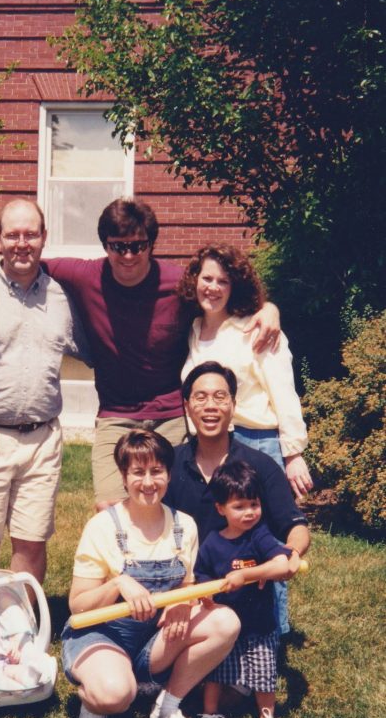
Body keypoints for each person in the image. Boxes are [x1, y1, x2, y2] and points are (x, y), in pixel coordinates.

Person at [44, 198, 282, 510]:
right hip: (116, 412)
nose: (128, 255)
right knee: (110, 507)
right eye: (118, 246)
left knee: (182, 503)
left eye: (138, 245)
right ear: (105, 245)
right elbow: (24, 260)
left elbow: (226, 298)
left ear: (152, 244)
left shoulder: (178, 284)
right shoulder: (85, 275)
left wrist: (269, 308)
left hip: (172, 413)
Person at [61, 429, 241, 718]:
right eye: (138, 472)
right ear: (123, 475)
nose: (148, 482)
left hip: (153, 642)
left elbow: (188, 584)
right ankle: (95, 702)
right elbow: (78, 606)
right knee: (116, 695)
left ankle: (168, 706)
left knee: (226, 621)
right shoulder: (102, 527)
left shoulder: (184, 525)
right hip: (101, 635)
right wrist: (118, 583)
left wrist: (181, 604)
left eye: (156, 471)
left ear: (168, 474)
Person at [0, 199, 88, 585]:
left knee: (31, 543)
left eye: (30, 234)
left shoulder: (63, 297)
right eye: (12, 234)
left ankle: (22, 628)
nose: (21, 243)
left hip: (43, 439)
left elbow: (102, 345)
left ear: (43, 238)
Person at [164, 362, 310, 635]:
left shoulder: (261, 465)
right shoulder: (169, 464)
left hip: (246, 603)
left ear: (233, 405)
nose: (210, 405)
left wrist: (293, 552)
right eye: (200, 397)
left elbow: (295, 525)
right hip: (185, 596)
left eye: (220, 397)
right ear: (187, 406)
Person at [178, 244, 313, 499]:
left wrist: (294, 454)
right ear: (195, 280)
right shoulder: (193, 330)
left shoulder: (257, 330)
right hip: (208, 447)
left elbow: (284, 393)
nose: (213, 287)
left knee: (264, 532)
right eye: (207, 278)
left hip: (256, 443)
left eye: (223, 281)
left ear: (234, 287)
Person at [195, 461, 297, 718]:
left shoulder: (259, 535)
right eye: (239, 506)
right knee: (216, 670)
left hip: (259, 623)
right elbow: (202, 575)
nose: (249, 512)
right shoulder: (212, 542)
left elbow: (281, 564)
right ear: (221, 509)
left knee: (265, 672)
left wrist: (248, 574)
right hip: (226, 623)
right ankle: (210, 714)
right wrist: (206, 594)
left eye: (254, 504)